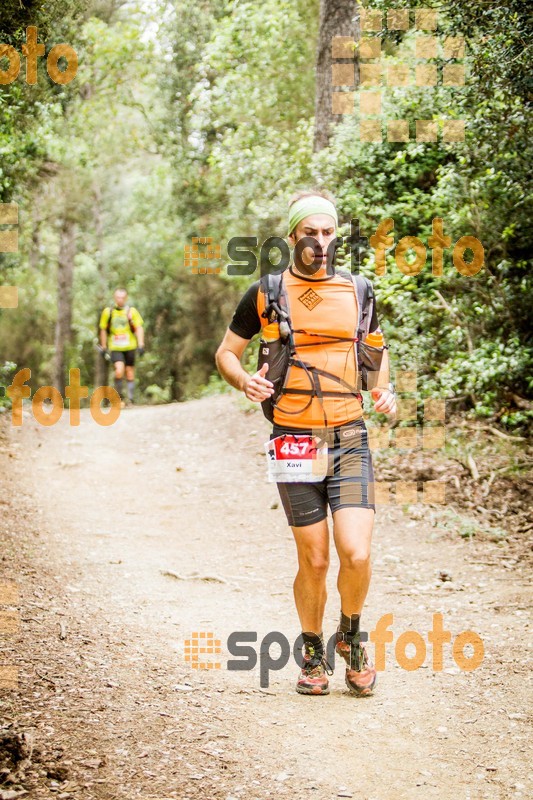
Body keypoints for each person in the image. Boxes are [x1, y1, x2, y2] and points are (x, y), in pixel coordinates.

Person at [215, 189, 397, 697]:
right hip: (293, 439)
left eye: (328, 232)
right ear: (292, 236)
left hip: (350, 437)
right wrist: (242, 381)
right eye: (310, 233)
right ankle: (313, 648)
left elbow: (375, 350)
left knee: (356, 553)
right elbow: (227, 353)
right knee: (314, 560)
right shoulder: (266, 292)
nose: (320, 242)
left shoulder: (358, 290)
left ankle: (352, 637)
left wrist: (384, 390)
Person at [99, 289, 145, 406]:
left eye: (122, 297)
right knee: (119, 371)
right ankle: (118, 399)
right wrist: (104, 347)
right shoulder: (108, 312)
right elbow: (103, 329)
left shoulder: (131, 312)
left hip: (130, 346)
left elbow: (139, 327)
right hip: (115, 347)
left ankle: (130, 400)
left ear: (126, 298)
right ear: (115, 298)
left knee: (129, 372)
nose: (120, 300)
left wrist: (141, 344)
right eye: (118, 297)